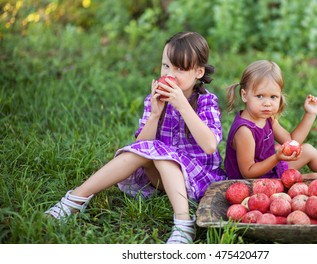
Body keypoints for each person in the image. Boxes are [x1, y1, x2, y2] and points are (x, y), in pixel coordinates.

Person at [45, 31, 226, 244]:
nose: (170, 73)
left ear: (198, 72)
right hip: (162, 177)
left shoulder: (206, 102)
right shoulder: (157, 99)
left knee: (163, 154)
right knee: (152, 151)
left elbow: (210, 146)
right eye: (166, 66)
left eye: (180, 68)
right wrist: (156, 113)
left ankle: (184, 225)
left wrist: (182, 105)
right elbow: (142, 147)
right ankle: (75, 199)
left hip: (198, 179)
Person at [224, 60, 317, 181]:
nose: (267, 103)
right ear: (244, 95)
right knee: (315, 178)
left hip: (269, 172)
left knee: (309, 153)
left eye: (273, 97)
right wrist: (276, 158)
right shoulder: (245, 130)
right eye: (260, 96)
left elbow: (292, 141)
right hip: (251, 183)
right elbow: (248, 173)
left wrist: (310, 114)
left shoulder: (268, 118)